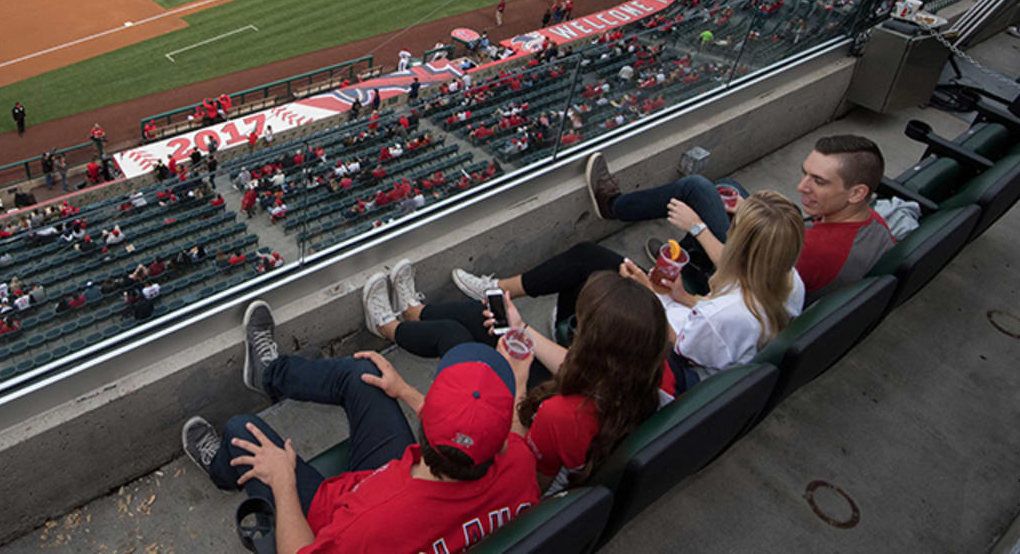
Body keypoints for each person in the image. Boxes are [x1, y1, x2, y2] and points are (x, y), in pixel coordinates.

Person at [181, 301, 539, 554]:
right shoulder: (520, 462)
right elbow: (502, 435)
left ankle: (220, 470)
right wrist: (404, 391)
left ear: (423, 426)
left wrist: (284, 483)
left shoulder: (365, 528)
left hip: (341, 512)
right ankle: (270, 374)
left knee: (240, 430)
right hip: (400, 483)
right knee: (364, 376)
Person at [458, 137, 891, 305]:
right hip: (766, 289)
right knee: (730, 190)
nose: (801, 187)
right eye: (805, 174)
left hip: (724, 295)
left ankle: (496, 291)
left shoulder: (811, 255)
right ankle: (693, 259)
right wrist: (753, 216)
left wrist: (698, 228)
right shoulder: (875, 230)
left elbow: (747, 283)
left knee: (697, 190)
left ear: (856, 192)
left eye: (819, 181)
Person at [367, 265, 672, 494]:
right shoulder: (654, 371)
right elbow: (582, 369)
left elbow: (525, 474)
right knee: (485, 319)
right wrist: (521, 327)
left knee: (455, 339)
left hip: (526, 468)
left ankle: (387, 327)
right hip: (571, 427)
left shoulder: (563, 416)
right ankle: (414, 312)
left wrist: (516, 382)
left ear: (593, 344)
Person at [457, 191, 807, 387]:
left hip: (668, 367)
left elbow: (682, 345)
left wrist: (650, 294)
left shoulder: (726, 315)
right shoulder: (790, 281)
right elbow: (711, 323)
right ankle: (504, 289)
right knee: (588, 258)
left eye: (735, 227)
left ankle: (566, 332)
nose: (728, 228)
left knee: (594, 274)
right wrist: (682, 297)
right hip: (691, 336)